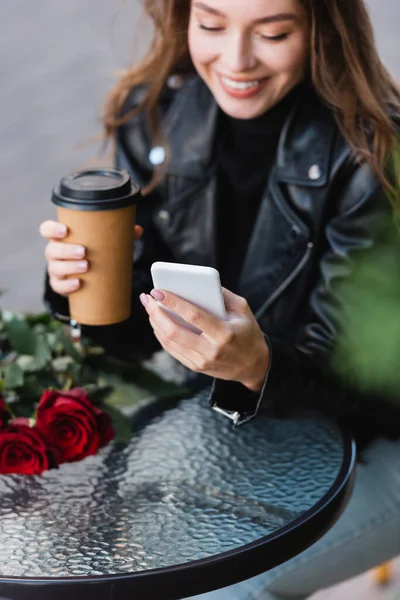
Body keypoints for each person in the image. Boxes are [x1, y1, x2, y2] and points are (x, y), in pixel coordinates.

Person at [40, 0, 400, 597]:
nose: (235, 60)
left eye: (274, 32)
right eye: (211, 24)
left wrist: (258, 369)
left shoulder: (377, 159)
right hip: (237, 437)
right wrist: (77, 288)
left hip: (375, 441)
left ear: (321, 28)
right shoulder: (155, 117)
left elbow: (376, 387)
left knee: (219, 591)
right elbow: (133, 342)